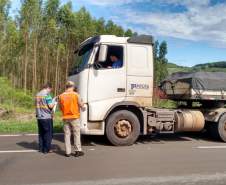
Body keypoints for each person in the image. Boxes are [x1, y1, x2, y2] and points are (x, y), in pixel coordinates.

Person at [58, 81, 85, 157]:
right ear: (72, 86)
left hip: (65, 117)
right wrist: (83, 107)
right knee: (76, 134)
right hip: (74, 117)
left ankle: (67, 152)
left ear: (66, 87)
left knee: (67, 134)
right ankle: (77, 151)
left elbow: (60, 107)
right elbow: (81, 105)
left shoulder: (61, 96)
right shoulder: (76, 95)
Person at [35, 83, 55, 154]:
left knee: (41, 133)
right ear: (48, 88)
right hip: (46, 117)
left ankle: (41, 148)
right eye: (50, 89)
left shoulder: (37, 94)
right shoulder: (47, 95)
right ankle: (47, 149)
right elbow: (50, 106)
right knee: (48, 133)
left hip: (39, 116)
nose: (50, 91)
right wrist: (54, 102)